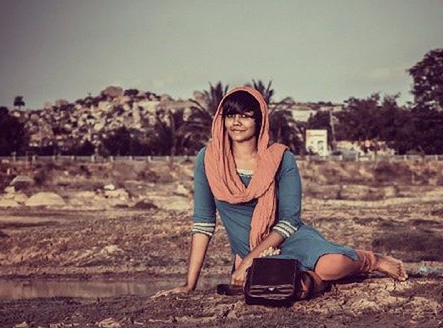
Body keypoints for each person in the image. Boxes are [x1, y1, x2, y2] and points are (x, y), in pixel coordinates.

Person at [153, 85, 406, 300]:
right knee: (287, 287)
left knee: (332, 265)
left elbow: (289, 220)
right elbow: (203, 224)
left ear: (260, 120)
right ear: (222, 119)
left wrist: (251, 260)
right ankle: (311, 281)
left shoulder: (280, 157)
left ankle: (371, 260)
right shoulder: (207, 160)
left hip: (288, 238)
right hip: (251, 250)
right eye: (230, 116)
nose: (236, 122)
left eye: (245, 116)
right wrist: (189, 284)